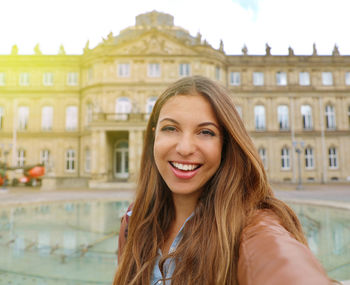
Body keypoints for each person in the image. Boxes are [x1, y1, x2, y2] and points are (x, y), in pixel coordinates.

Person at [114, 75, 333, 285]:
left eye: (206, 132)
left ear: (225, 144)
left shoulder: (251, 226)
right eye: (170, 128)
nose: (185, 148)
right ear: (154, 136)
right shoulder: (134, 221)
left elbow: (283, 263)